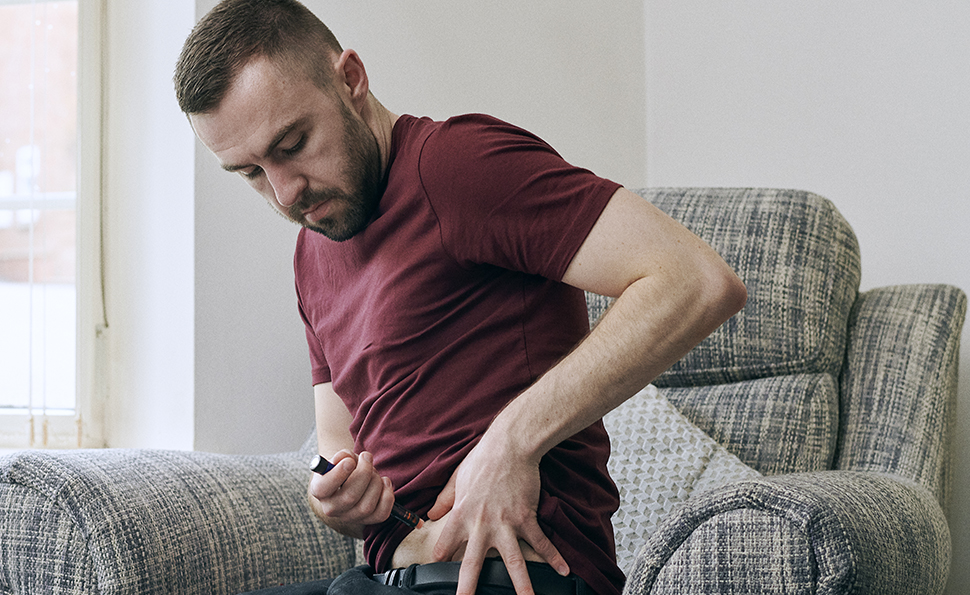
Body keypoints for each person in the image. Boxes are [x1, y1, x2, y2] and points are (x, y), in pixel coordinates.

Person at [174, 2, 747, 594]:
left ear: (351, 80)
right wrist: (334, 497)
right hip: (387, 577)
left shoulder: (457, 167)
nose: (285, 192)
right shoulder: (312, 251)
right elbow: (335, 443)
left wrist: (511, 441)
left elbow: (695, 280)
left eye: (293, 143)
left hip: (516, 574)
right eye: (249, 173)